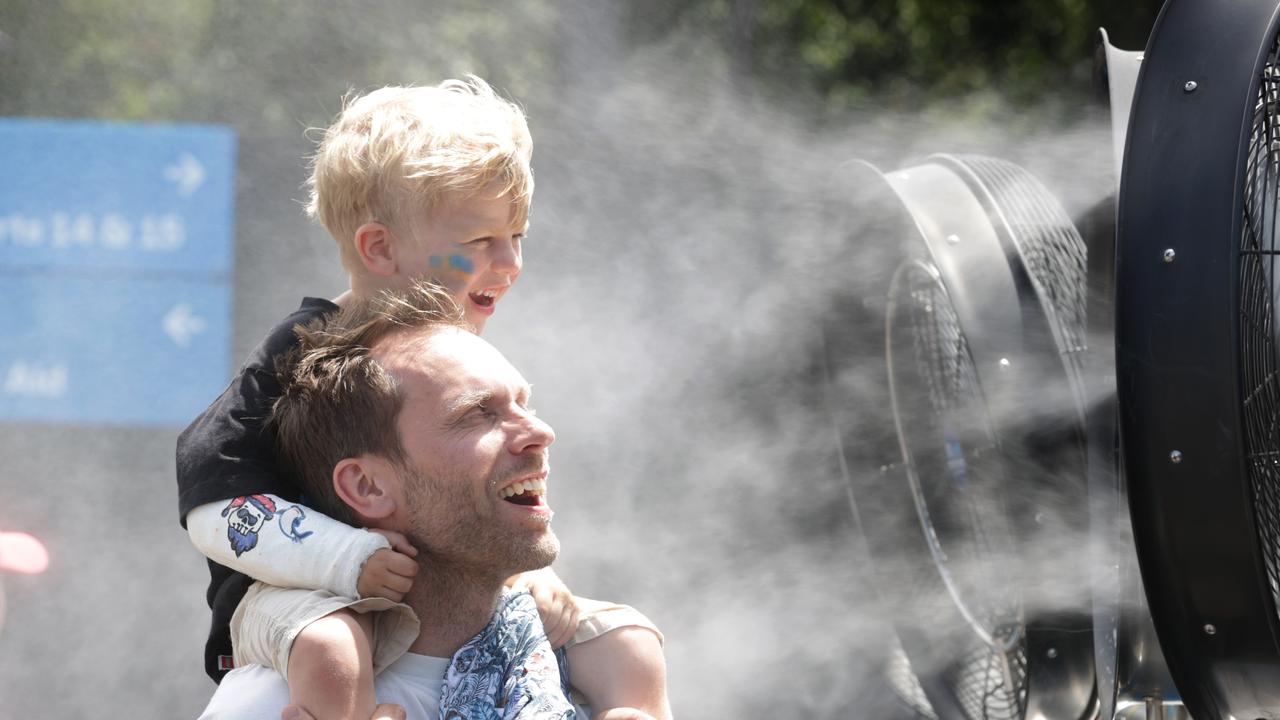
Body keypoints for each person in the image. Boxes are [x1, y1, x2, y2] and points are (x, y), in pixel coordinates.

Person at [176, 78, 669, 719]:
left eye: (517, 236)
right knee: (334, 648)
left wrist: (517, 573)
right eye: (481, 241)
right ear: (380, 247)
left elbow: (474, 511)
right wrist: (346, 557)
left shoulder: (450, 346)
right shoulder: (296, 352)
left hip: (432, 606)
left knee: (622, 637)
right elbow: (213, 503)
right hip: (299, 601)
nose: (511, 261)